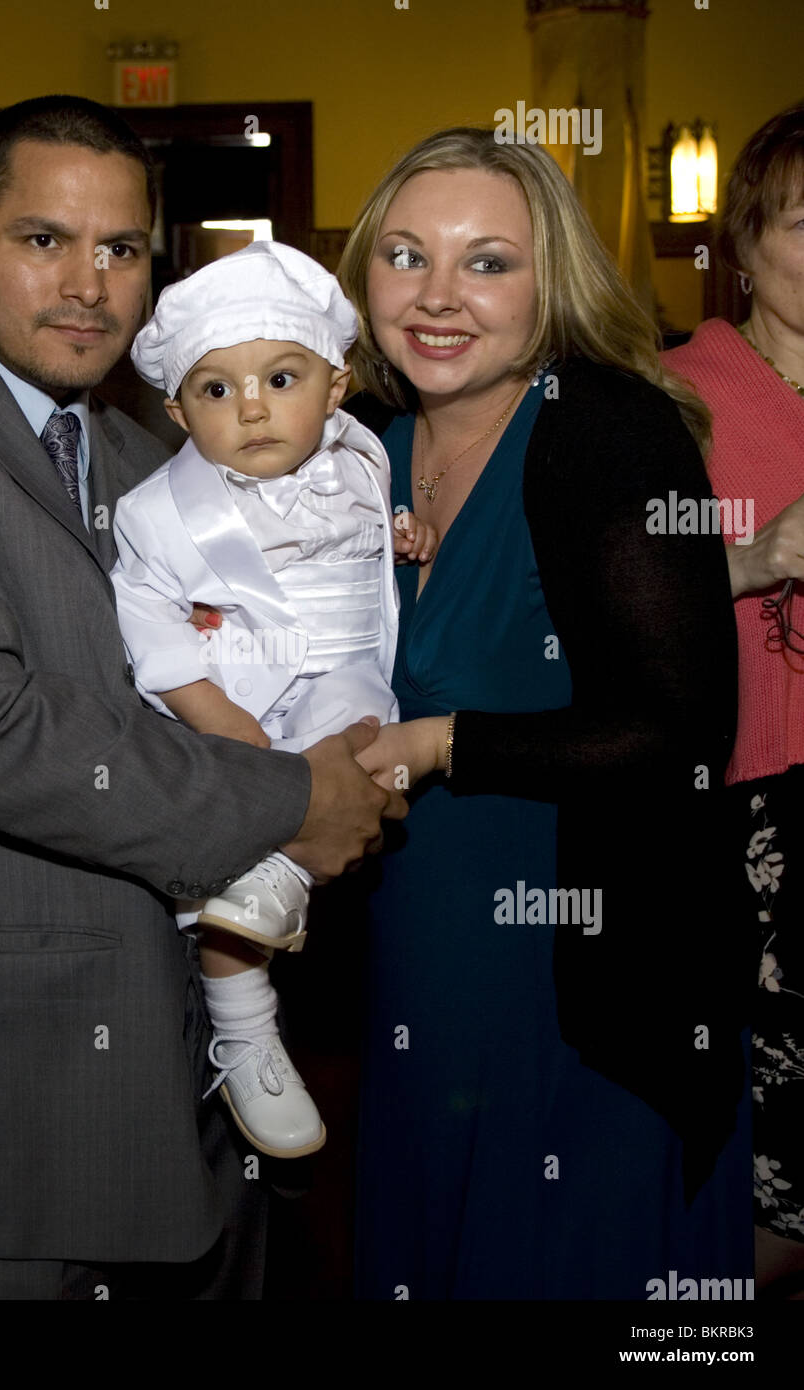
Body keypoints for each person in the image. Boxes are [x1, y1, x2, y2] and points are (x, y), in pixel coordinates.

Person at [0, 95, 403, 1301]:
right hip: (3, 1081)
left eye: (118, 249)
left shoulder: (148, 455)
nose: (87, 283)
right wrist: (286, 799)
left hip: (192, 1062)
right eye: (42, 239)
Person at [335, 126, 753, 1299]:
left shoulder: (610, 429)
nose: (437, 298)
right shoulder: (359, 444)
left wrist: (445, 742)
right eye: (406, 256)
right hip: (415, 945)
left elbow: (679, 726)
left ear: (549, 282)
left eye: (487, 263)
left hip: (584, 972)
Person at [110, 240, 435, 1161]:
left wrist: (402, 536)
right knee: (227, 872)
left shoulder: (364, 463)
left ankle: (278, 885)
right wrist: (235, 734)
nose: (252, 408)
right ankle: (244, 1032)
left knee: (357, 772)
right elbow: (153, 633)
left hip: (346, 689)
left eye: (281, 378)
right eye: (216, 391)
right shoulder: (156, 512)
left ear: (335, 389)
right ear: (176, 411)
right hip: (234, 698)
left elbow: (371, 555)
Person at [663, 101, 804, 1295]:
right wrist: (758, 553)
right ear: (745, 240)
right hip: (755, 802)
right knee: (773, 1156)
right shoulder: (682, 394)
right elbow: (619, 586)